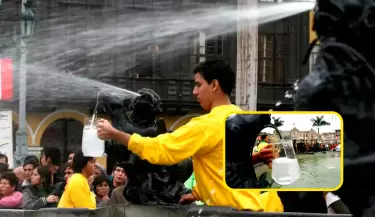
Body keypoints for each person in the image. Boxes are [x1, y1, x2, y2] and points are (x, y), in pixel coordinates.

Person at [96, 59, 274, 211]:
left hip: (228, 213)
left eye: (198, 85)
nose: (194, 92)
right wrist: (196, 193)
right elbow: (228, 168)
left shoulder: (206, 125)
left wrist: (116, 134)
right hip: (252, 211)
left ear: (214, 85)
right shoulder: (241, 118)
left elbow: (161, 149)